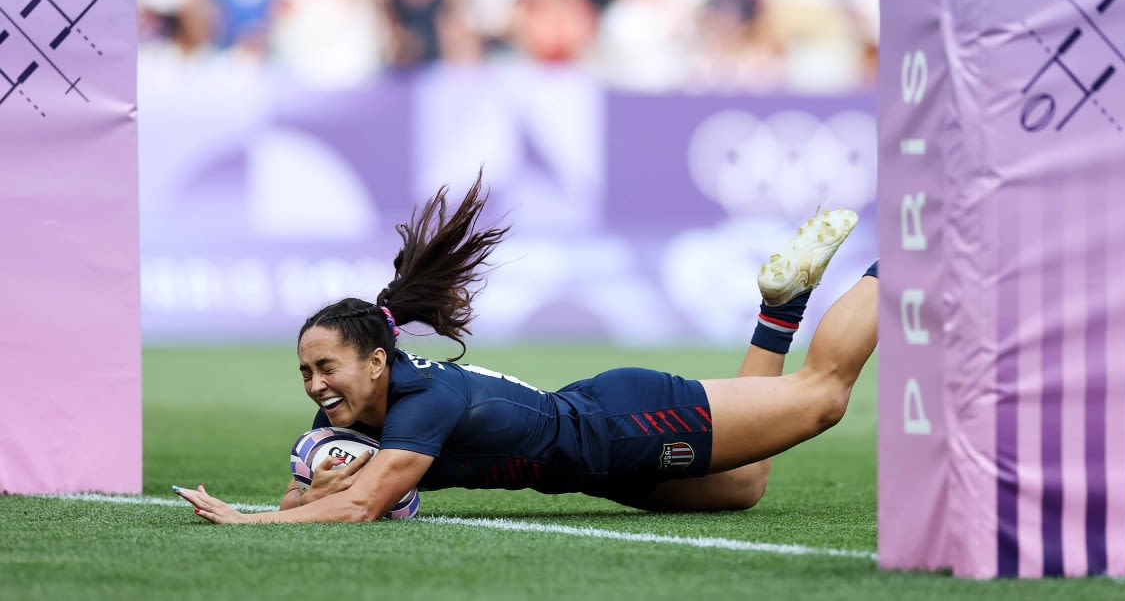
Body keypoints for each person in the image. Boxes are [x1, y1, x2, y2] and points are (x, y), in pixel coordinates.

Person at [175, 175, 878, 523]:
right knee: (744, 484)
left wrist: (251, 521)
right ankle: (780, 306)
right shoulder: (345, 417)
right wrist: (282, 507)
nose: (315, 384)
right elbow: (311, 493)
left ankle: (905, 255)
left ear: (378, 361)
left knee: (824, 396)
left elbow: (364, 503)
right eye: (305, 371)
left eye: (326, 367)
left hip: (627, 428)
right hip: (601, 455)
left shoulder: (423, 395)